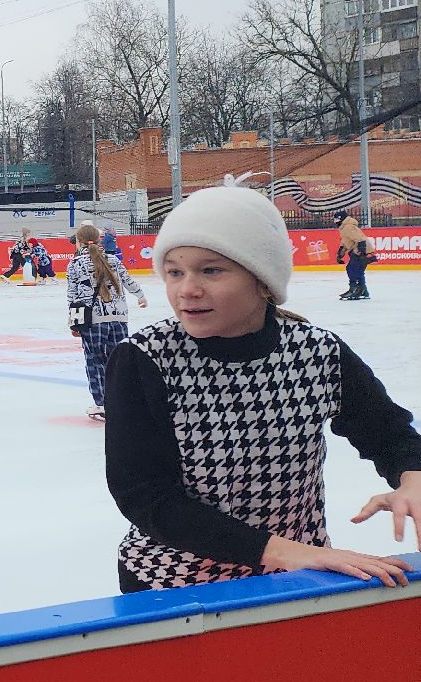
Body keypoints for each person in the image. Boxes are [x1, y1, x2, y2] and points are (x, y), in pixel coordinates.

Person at [106, 183, 421, 594]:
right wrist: (284, 551)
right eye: (175, 271)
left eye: (211, 269)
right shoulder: (145, 358)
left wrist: (412, 478)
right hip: (175, 586)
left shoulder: (315, 350)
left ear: (262, 279)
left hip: (297, 580)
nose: (187, 289)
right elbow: (145, 496)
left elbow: (388, 431)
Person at [67, 223, 147, 420]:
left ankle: (101, 404)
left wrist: (73, 322)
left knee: (95, 361)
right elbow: (128, 281)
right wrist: (141, 296)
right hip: (119, 317)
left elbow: (72, 295)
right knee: (118, 361)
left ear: (78, 241)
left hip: (92, 320)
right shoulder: (112, 259)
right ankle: (123, 401)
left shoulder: (75, 264)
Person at [337, 213, 375, 301]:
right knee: (358, 270)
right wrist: (340, 253)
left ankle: (355, 289)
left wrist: (361, 253)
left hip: (360, 250)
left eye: (336, 219)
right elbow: (346, 241)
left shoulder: (348, 227)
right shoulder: (344, 227)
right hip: (358, 250)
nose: (335, 221)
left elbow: (360, 239)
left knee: (352, 268)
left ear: (340, 219)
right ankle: (363, 291)